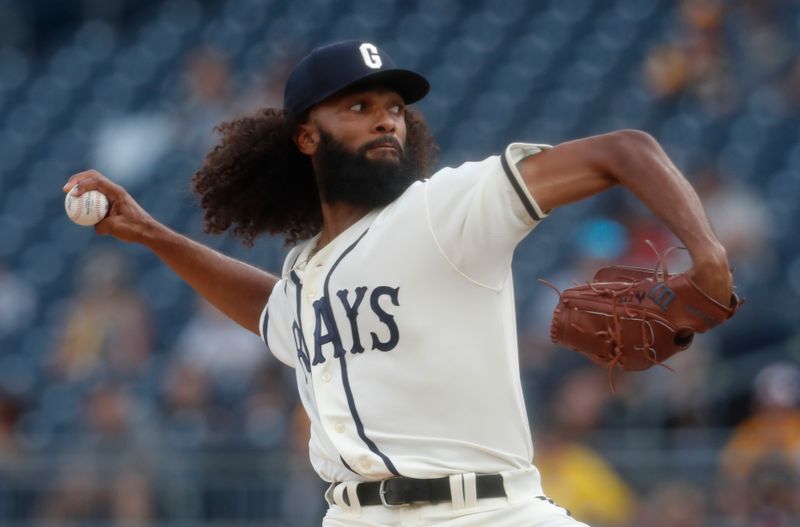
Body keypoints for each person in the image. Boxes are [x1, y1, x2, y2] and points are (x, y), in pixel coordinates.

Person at [63, 40, 734, 526]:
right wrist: (152, 234)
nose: (386, 118)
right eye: (358, 106)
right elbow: (277, 312)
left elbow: (625, 151)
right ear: (305, 136)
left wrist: (708, 258)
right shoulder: (307, 267)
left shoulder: (446, 209)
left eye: (393, 107)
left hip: (488, 512)